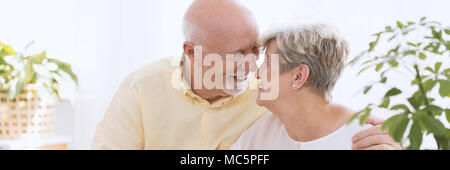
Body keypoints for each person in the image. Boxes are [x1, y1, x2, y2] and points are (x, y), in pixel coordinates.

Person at [91, 0, 400, 150]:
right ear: (191, 51)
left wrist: (395, 138)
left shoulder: (272, 99)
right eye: (238, 54)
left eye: (256, 51)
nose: (251, 66)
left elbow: (319, 108)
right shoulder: (142, 88)